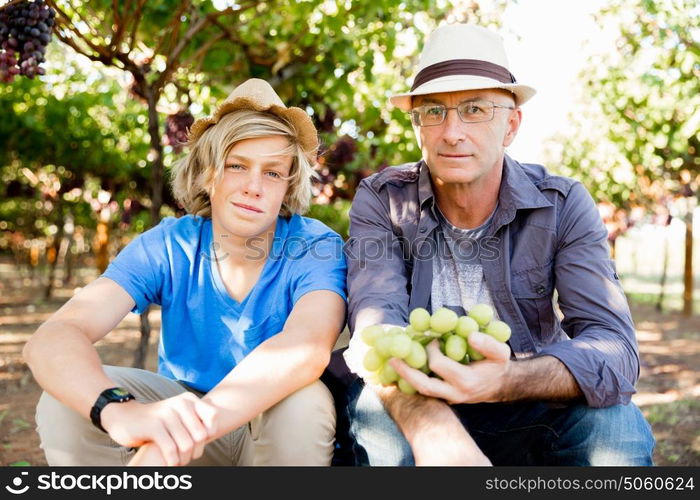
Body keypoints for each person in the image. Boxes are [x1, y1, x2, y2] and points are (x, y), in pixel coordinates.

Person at [336, 23, 655, 466]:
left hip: (530, 404)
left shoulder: (560, 205)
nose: (451, 132)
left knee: (616, 428)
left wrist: (504, 381)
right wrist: (434, 428)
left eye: (475, 109)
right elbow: (377, 327)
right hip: (421, 394)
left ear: (511, 125)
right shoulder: (384, 200)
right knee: (377, 412)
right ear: (417, 126)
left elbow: (614, 348)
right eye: (432, 111)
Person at [23, 78, 347, 466]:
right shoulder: (169, 245)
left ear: (289, 185)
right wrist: (119, 410)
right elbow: (54, 338)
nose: (254, 187)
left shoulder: (314, 246)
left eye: (273, 173)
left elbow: (306, 348)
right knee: (66, 403)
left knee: (304, 402)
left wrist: (185, 431)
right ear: (208, 174)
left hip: (265, 429)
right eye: (236, 166)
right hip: (185, 424)